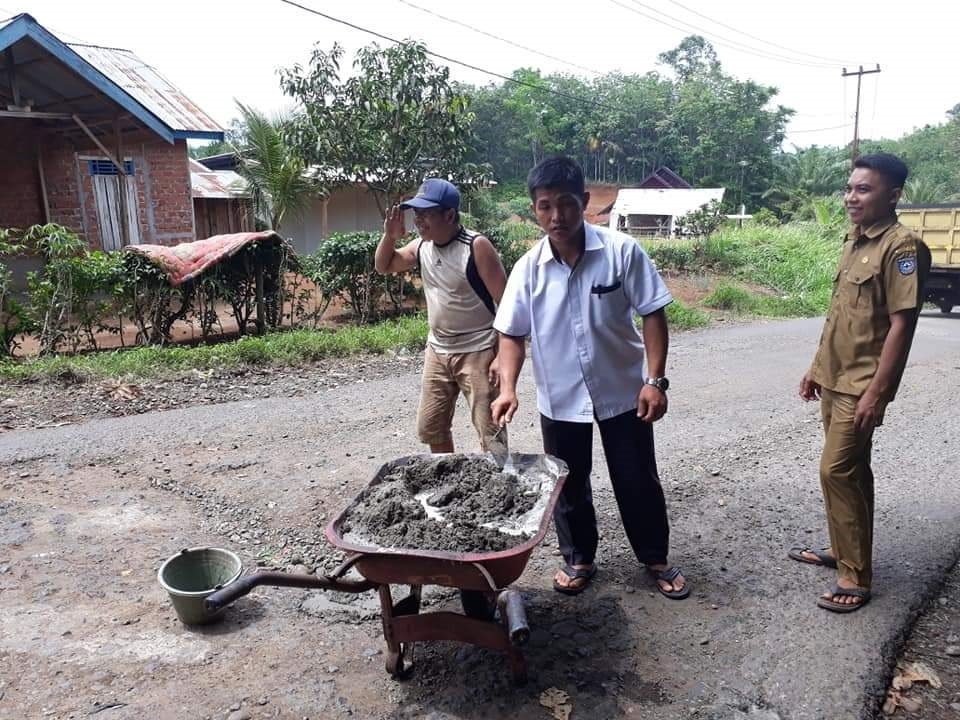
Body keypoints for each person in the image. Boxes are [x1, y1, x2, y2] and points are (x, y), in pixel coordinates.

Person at [491, 156, 689, 599]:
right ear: (534, 209)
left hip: (623, 393)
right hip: (559, 398)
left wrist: (654, 381)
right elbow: (510, 334)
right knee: (568, 483)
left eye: (565, 204)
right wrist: (507, 388)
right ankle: (579, 557)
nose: (556, 216)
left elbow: (653, 314)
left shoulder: (621, 252)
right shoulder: (527, 269)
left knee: (637, 477)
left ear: (584, 202)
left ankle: (655, 557)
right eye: (545, 206)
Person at [790, 153, 931, 613]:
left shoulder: (901, 247)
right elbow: (840, 315)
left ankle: (855, 575)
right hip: (835, 379)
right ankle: (843, 549)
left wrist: (877, 393)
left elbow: (901, 325)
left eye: (863, 189)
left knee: (836, 470)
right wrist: (816, 367)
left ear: (893, 196)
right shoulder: (856, 240)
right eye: (849, 188)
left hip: (860, 386)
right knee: (850, 473)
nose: (851, 197)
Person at [375, 178, 508, 454]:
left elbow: (507, 303)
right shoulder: (422, 247)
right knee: (431, 426)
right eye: (417, 214)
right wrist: (389, 236)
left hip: (479, 350)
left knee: (490, 431)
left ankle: (500, 488)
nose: (419, 221)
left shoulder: (476, 247)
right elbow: (384, 265)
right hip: (437, 350)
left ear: (449, 214)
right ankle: (447, 478)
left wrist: (501, 356)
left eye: (426, 214)